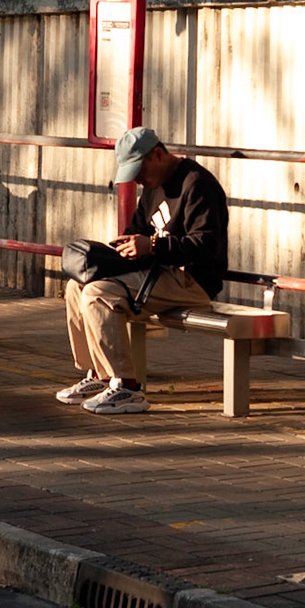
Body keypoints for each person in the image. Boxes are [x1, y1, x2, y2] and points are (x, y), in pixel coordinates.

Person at [59, 126, 229, 415]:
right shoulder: (153, 188)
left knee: (99, 294)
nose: (138, 180)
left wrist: (152, 246)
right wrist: (123, 247)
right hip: (159, 275)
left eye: (139, 171)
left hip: (192, 280)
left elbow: (206, 245)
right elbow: (138, 230)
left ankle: (127, 386)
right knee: (77, 286)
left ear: (158, 155)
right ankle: (98, 374)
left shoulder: (197, 183)